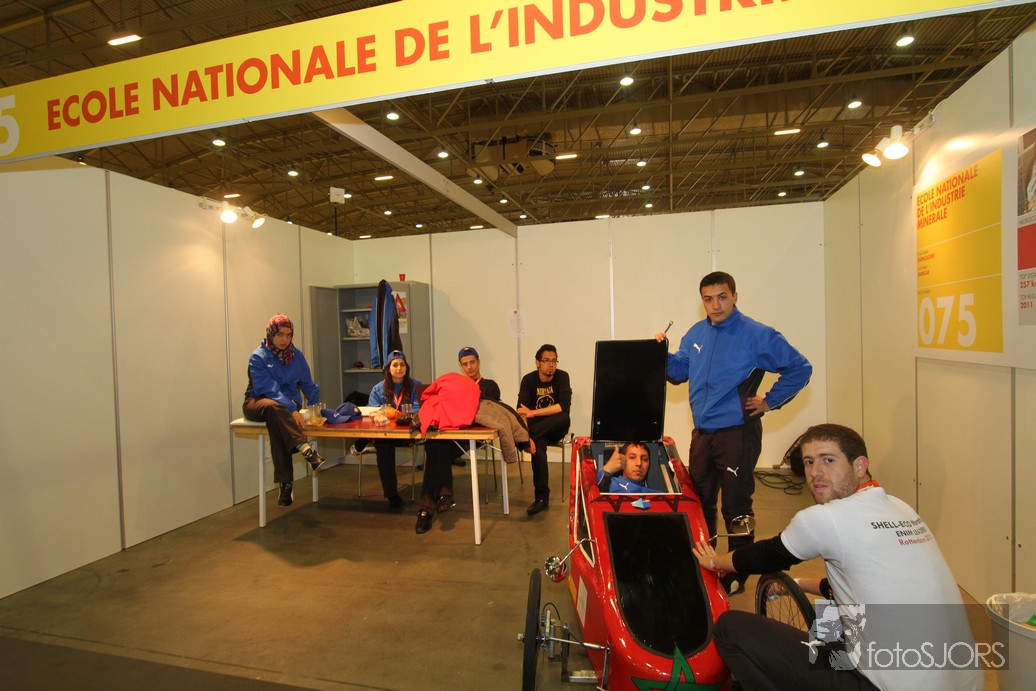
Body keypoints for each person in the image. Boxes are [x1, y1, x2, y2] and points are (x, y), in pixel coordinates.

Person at [692, 424, 982, 691]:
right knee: (831, 615)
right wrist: (796, 584)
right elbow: (859, 585)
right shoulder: (900, 508)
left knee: (730, 628)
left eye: (828, 460)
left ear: (860, 465)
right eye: (808, 462)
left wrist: (715, 562)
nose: (815, 472)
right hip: (967, 682)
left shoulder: (827, 518)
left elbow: (765, 556)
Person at [656, 271, 811, 592]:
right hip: (703, 434)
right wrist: (660, 353)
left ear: (735, 297)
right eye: (708, 299)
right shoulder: (697, 333)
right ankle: (705, 562)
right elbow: (679, 372)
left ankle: (738, 572)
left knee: (736, 507)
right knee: (700, 502)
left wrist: (769, 401)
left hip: (738, 434)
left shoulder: (757, 335)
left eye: (722, 297)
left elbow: (800, 368)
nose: (716, 305)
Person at [243, 314, 324, 507]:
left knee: (278, 424)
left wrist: (314, 408)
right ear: (271, 334)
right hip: (258, 401)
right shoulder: (258, 357)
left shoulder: (297, 356)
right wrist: (292, 410)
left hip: (285, 408)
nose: (284, 339)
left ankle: (285, 483)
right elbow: (267, 389)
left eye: (288, 335)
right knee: (274, 408)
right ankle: (304, 448)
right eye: (280, 334)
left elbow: (308, 383)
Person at [517, 344, 572, 516]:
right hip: (537, 431)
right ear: (537, 363)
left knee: (564, 417)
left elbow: (563, 407)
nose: (551, 365)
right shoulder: (528, 380)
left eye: (554, 361)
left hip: (555, 427)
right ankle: (542, 498)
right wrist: (529, 436)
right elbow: (521, 412)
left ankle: (522, 439)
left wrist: (533, 413)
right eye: (546, 361)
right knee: (538, 448)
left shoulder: (562, 377)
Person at [367, 350, 422, 510]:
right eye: (395, 365)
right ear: (388, 369)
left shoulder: (416, 386)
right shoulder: (378, 389)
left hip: (410, 433)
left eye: (402, 365)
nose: (399, 368)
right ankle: (391, 494)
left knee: (435, 443)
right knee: (383, 446)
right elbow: (373, 411)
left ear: (407, 367)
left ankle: (432, 492)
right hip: (387, 434)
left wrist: (393, 413)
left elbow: (419, 410)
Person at [596, 442, 661, 493]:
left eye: (644, 459)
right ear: (622, 461)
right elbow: (593, 493)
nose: (639, 463)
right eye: (632, 457)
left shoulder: (658, 496)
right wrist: (607, 470)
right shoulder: (610, 485)